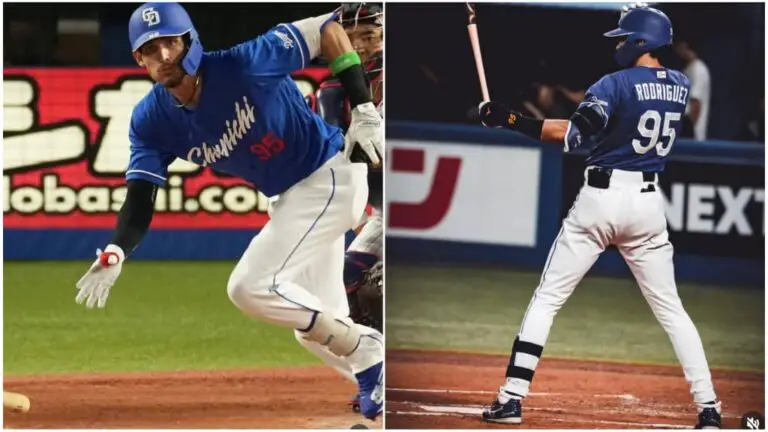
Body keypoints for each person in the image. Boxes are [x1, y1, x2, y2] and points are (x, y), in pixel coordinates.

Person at [74, 2, 383, 420]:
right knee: (317, 328)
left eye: (170, 42)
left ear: (190, 42)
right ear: (139, 60)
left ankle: (367, 349)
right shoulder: (151, 119)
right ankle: (388, 382)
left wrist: (363, 106)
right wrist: (117, 250)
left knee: (250, 286)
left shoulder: (243, 64)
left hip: (328, 175)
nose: (163, 56)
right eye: (150, 49)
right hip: (291, 198)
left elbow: (326, 28)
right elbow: (141, 195)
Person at [476, 5, 721, 429]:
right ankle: (710, 408)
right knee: (672, 310)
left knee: (548, 298)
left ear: (642, 42)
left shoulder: (614, 83)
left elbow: (570, 135)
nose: (620, 45)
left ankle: (512, 398)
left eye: (625, 38)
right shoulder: (680, 85)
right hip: (647, 203)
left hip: (602, 198)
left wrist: (510, 119)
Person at [316, 3, 384, 413]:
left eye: (370, 35)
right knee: (346, 282)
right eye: (353, 37)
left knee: (381, 287)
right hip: (374, 204)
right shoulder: (335, 90)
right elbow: (339, 148)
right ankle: (377, 368)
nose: (362, 45)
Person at [674, 39, 711, 140]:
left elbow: (696, 104)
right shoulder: (688, 69)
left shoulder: (697, 69)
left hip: (692, 135)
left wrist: (688, 132)